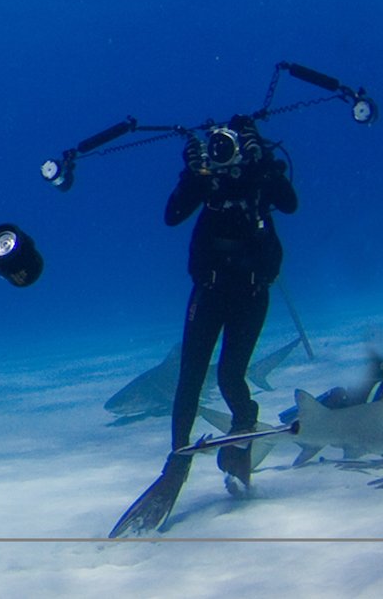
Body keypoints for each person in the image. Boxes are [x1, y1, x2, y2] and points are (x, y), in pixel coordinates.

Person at [110, 114, 298, 537]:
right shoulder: (205, 179)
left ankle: (243, 428)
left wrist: (262, 160)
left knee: (231, 375)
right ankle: (176, 461)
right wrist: (192, 175)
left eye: (230, 146)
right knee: (190, 377)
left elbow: (289, 204)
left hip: (251, 293)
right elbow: (172, 215)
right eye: (217, 148)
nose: (223, 154)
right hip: (209, 292)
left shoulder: (257, 173)